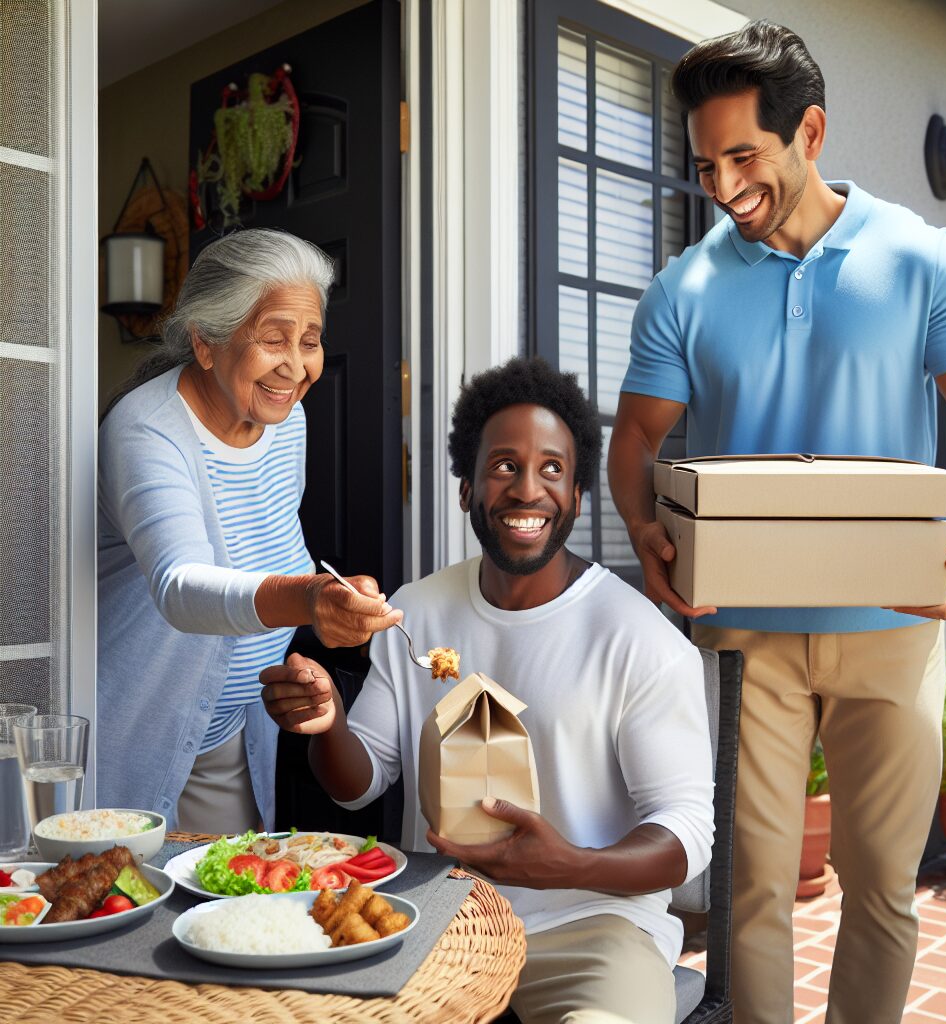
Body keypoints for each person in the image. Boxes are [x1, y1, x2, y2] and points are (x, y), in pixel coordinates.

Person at [607, 20, 946, 1024]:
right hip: (747, 632)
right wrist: (648, 533)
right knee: (751, 889)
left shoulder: (923, 260)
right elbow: (633, 444)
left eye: (744, 156)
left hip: (893, 626)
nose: (721, 184)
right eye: (706, 163)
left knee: (882, 890)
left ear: (811, 132)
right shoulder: (684, 289)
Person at [262, 357, 715, 1024]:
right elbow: (358, 783)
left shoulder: (640, 641)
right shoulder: (416, 612)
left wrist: (569, 866)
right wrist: (327, 722)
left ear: (578, 496)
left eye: (552, 469)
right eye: (504, 466)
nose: (527, 490)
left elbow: (685, 836)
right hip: (439, 919)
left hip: (593, 931)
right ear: (467, 490)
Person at [97, 228, 403, 834]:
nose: (296, 365)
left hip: (226, 736)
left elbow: (267, 545)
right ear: (206, 343)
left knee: (223, 912)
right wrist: (311, 600)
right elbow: (181, 586)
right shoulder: (146, 430)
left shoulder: (286, 421)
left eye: (310, 341)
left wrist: (301, 644)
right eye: (273, 339)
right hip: (132, 738)